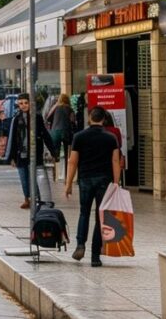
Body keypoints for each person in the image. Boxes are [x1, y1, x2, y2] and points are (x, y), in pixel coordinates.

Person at [65, 106, 121, 268]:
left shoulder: (79, 137)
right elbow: (115, 161)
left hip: (85, 180)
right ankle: (95, 256)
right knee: (99, 217)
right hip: (104, 180)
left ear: (89, 118)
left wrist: (68, 184)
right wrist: (116, 183)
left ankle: (80, 244)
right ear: (103, 119)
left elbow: (73, 162)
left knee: (84, 212)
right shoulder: (111, 138)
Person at [7, 93, 58, 209]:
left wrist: (53, 152)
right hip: (21, 154)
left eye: (25, 103)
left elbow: (45, 135)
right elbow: (14, 139)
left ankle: (38, 199)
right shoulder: (16, 119)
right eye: (21, 103)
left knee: (35, 177)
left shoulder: (37, 117)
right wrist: (12, 157)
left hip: (34, 153)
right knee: (24, 178)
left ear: (30, 103)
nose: (23, 105)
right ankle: (27, 199)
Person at [47, 94, 76, 171]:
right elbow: (73, 121)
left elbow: (48, 118)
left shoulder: (55, 108)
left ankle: (56, 173)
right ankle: (67, 174)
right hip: (66, 132)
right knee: (68, 154)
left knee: (55, 153)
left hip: (55, 132)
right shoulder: (70, 109)